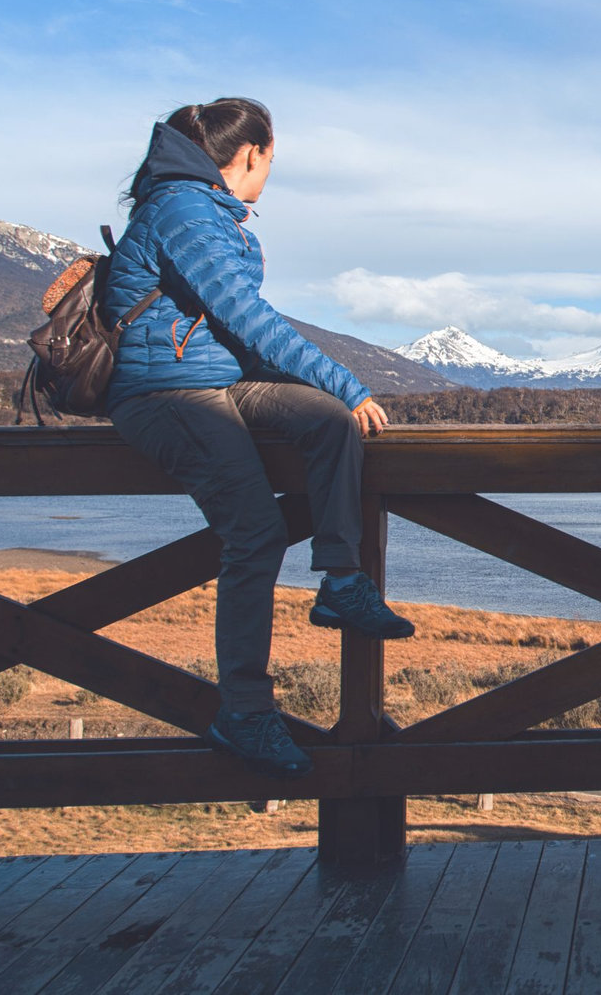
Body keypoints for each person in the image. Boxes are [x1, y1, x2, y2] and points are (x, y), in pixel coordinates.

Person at [101, 97, 413, 779]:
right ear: (249, 156)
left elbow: (234, 333)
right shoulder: (186, 211)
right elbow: (247, 317)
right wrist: (349, 382)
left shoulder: (205, 212)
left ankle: (341, 579)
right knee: (257, 532)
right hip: (166, 393)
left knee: (327, 422)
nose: (269, 173)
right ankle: (243, 710)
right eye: (271, 160)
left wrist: (334, 396)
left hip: (214, 380)